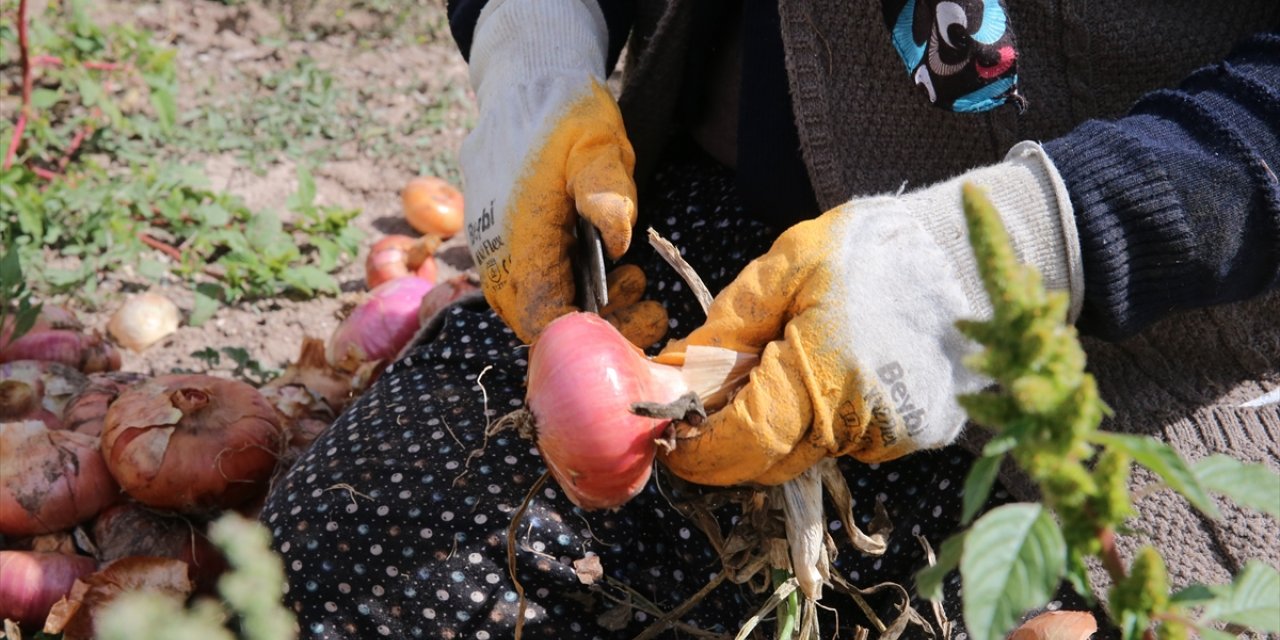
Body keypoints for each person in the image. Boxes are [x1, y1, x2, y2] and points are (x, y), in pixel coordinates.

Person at [262, 1, 1280, 638]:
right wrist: (530, 26)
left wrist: (1034, 242)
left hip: (1143, 336)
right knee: (346, 576)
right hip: (716, 254)